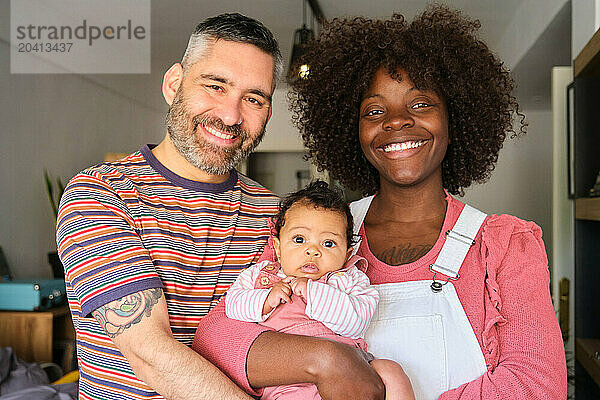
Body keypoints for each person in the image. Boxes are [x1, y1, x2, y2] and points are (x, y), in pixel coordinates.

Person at [193, 5, 567, 400]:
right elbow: (216, 337)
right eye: (374, 110)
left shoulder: (505, 244)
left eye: (421, 103)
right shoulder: (318, 233)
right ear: (351, 131)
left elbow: (537, 385)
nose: (396, 121)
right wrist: (323, 360)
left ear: (455, 120)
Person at [56, 13, 288, 400]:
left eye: (253, 99)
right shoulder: (100, 192)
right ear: (173, 84)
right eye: (216, 86)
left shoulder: (275, 215)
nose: (231, 116)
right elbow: (152, 355)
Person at [225, 180, 414, 400]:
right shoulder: (262, 275)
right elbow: (233, 304)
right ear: (277, 247)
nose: (312, 251)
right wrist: (266, 299)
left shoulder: (350, 279)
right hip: (288, 378)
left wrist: (313, 292)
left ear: (347, 253)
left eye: (328, 243)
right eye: (299, 239)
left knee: (390, 371)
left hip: (352, 372)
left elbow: (356, 323)